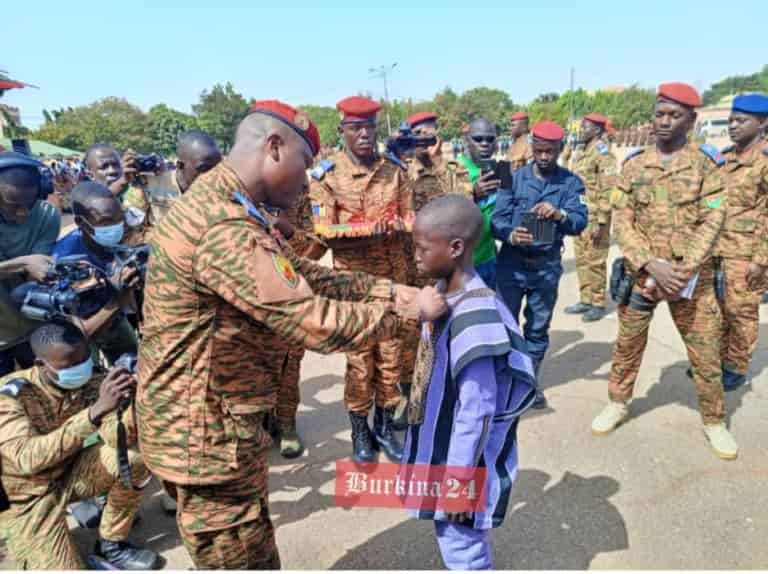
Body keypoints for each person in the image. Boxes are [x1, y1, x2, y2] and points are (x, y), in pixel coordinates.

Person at [137, 100, 446, 570]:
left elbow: (301, 273)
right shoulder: (221, 226)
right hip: (204, 437)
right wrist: (411, 313)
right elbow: (312, 319)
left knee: (253, 543)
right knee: (239, 558)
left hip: (218, 423)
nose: (306, 184)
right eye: (303, 168)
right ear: (274, 147)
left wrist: (392, 292)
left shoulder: (230, 206)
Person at [590, 83, 736, 460]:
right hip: (642, 275)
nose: (665, 122)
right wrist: (648, 261)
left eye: (675, 115)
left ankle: (714, 420)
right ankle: (618, 402)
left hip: (690, 279)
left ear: (692, 119)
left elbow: (714, 218)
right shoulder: (634, 162)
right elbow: (622, 219)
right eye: (660, 114)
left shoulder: (708, 163)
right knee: (627, 345)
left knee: (704, 352)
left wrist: (682, 269)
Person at [401, 194, 536, 570]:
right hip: (446, 450)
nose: (415, 256)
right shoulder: (444, 294)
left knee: (462, 546)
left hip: (463, 465)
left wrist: (459, 489)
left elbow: (476, 414)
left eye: (422, 248)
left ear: (456, 247)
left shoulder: (476, 318)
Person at [0, 321, 159, 570]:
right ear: (41, 364)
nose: (81, 368)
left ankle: (111, 544)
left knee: (133, 457)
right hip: (27, 497)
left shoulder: (92, 379)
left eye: (85, 359)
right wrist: (93, 414)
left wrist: (130, 404)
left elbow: (117, 439)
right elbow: (26, 459)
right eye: (71, 364)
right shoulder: (10, 396)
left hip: (71, 473)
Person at [309, 96, 414, 464]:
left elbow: (411, 218)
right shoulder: (328, 176)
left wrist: (398, 225)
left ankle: (384, 427)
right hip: (352, 285)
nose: (365, 135)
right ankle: (359, 430)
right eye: (356, 129)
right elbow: (322, 229)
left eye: (369, 127)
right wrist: (368, 228)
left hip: (393, 280)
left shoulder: (393, 171)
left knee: (390, 358)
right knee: (358, 360)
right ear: (343, 132)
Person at [492, 121, 588, 408]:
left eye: (551, 152)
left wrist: (560, 215)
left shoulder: (571, 183)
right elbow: (497, 218)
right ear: (532, 147)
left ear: (561, 149)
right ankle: (504, 381)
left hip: (545, 268)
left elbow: (580, 222)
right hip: (511, 264)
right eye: (540, 150)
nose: (545, 157)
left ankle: (529, 382)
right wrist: (510, 233)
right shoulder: (511, 177)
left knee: (537, 327)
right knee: (505, 325)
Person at [713, 93, 768, 391]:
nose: (733, 126)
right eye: (731, 120)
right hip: (719, 250)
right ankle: (718, 362)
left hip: (748, 254)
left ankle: (736, 366)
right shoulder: (726, 158)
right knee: (719, 310)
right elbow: (715, 202)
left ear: (762, 123)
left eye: (741, 120)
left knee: (741, 311)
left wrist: (761, 260)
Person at [52, 182, 140, 364]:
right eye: (106, 221)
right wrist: (119, 299)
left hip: (113, 317)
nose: (117, 226)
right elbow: (78, 334)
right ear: (80, 223)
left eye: (120, 218)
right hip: (80, 329)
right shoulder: (65, 261)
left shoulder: (120, 238)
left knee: (133, 362)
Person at [270, 183, 328, 458]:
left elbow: (319, 242)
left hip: (293, 292)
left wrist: (290, 235)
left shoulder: (301, 196)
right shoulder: (243, 196)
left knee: (290, 363)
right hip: (252, 292)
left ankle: (287, 425)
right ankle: (262, 422)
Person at [0, 152, 61, 376]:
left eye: (30, 203)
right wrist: (24, 263)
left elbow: (34, 273)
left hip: (32, 328)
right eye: (12, 205)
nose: (23, 212)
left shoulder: (47, 215)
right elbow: (29, 264)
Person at [563, 113, 618, 322]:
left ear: (597, 129)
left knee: (596, 260)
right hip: (581, 215)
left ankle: (597, 302)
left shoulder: (603, 154)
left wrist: (602, 221)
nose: (581, 130)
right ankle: (585, 298)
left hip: (596, 216)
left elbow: (609, 189)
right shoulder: (580, 151)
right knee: (582, 259)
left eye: (585, 127)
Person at [123, 129, 222, 229]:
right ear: (180, 165)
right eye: (204, 168)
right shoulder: (150, 182)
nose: (212, 174)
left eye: (217, 168)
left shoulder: (222, 189)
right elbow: (131, 224)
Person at [451, 118, 502, 288]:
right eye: (478, 139)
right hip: (464, 265)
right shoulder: (454, 171)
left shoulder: (498, 169)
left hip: (490, 258)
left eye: (490, 139)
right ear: (466, 140)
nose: (485, 144)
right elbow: (443, 216)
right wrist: (472, 195)